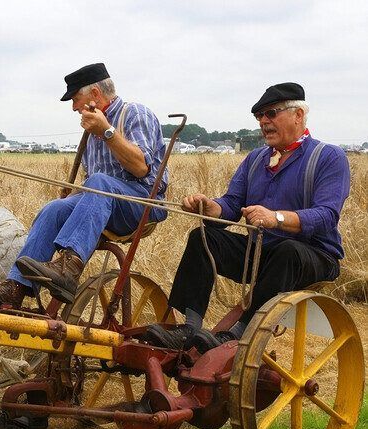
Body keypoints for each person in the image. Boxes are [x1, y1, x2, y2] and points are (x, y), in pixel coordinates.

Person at [146, 82, 350, 353]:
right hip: (262, 253)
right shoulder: (255, 159)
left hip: (314, 255)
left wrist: (275, 218)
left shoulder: (328, 157)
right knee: (203, 237)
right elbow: (232, 205)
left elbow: (326, 215)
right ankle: (189, 328)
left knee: (288, 250)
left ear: (298, 115)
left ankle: (237, 332)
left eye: (271, 113)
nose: (264, 122)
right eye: (260, 116)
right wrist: (210, 208)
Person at [0, 62, 168, 311]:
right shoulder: (90, 130)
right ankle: (15, 289)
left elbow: (141, 168)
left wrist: (107, 131)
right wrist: (74, 195)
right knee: (54, 209)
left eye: (76, 99)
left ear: (95, 94)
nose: (74, 107)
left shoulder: (135, 114)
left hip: (142, 203)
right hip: (106, 201)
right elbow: (94, 185)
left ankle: (69, 268)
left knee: (98, 184)